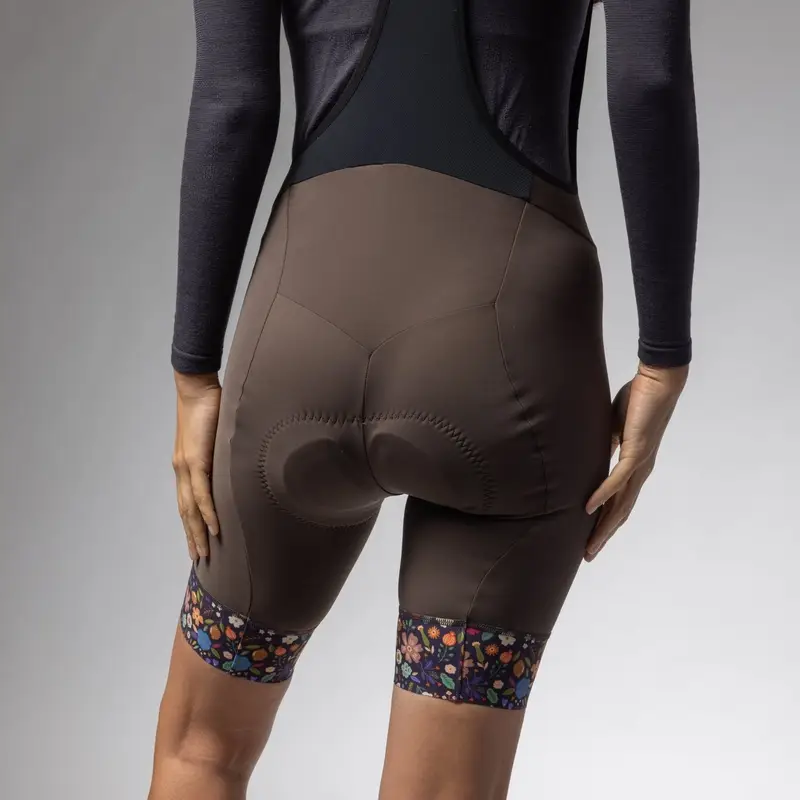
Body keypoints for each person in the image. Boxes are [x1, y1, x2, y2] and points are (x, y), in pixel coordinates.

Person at [149, 0, 698, 797]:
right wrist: (663, 361)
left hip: (299, 334)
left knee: (201, 749)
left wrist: (194, 374)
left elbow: (234, 102)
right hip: (514, 348)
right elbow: (649, 81)